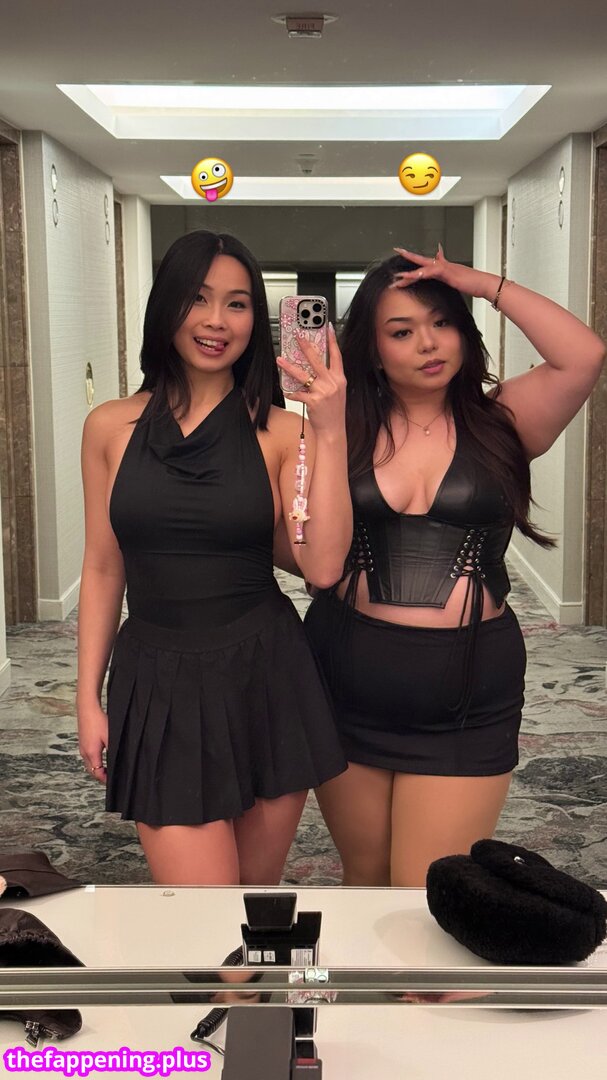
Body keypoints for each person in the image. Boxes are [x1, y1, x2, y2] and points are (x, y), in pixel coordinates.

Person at [304, 244, 605, 888]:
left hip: (467, 691)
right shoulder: (339, 427)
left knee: (430, 889)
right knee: (365, 881)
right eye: (402, 331)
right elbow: (312, 561)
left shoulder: (504, 421)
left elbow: (583, 355)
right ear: (372, 349)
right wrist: (322, 424)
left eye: (442, 322)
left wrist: (479, 283)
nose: (428, 343)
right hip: (344, 679)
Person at [76, 229, 351, 886]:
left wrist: (331, 428)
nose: (216, 321)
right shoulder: (109, 426)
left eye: (237, 303)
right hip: (157, 676)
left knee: (250, 906)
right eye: (198, 299)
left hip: (265, 674)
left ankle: (250, 968)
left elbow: (321, 567)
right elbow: (104, 566)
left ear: (257, 321)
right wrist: (86, 695)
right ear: (166, 306)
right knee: (202, 913)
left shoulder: (285, 431)